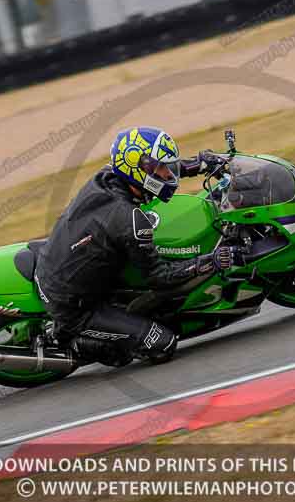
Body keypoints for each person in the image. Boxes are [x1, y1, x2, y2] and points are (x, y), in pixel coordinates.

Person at [34, 126, 237, 367]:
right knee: (162, 344)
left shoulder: (109, 175)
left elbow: (157, 174)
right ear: (139, 171)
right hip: (74, 305)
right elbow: (159, 277)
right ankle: (65, 339)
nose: (167, 174)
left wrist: (197, 164)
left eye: (166, 167)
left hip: (62, 264)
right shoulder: (129, 220)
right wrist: (210, 261)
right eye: (161, 168)